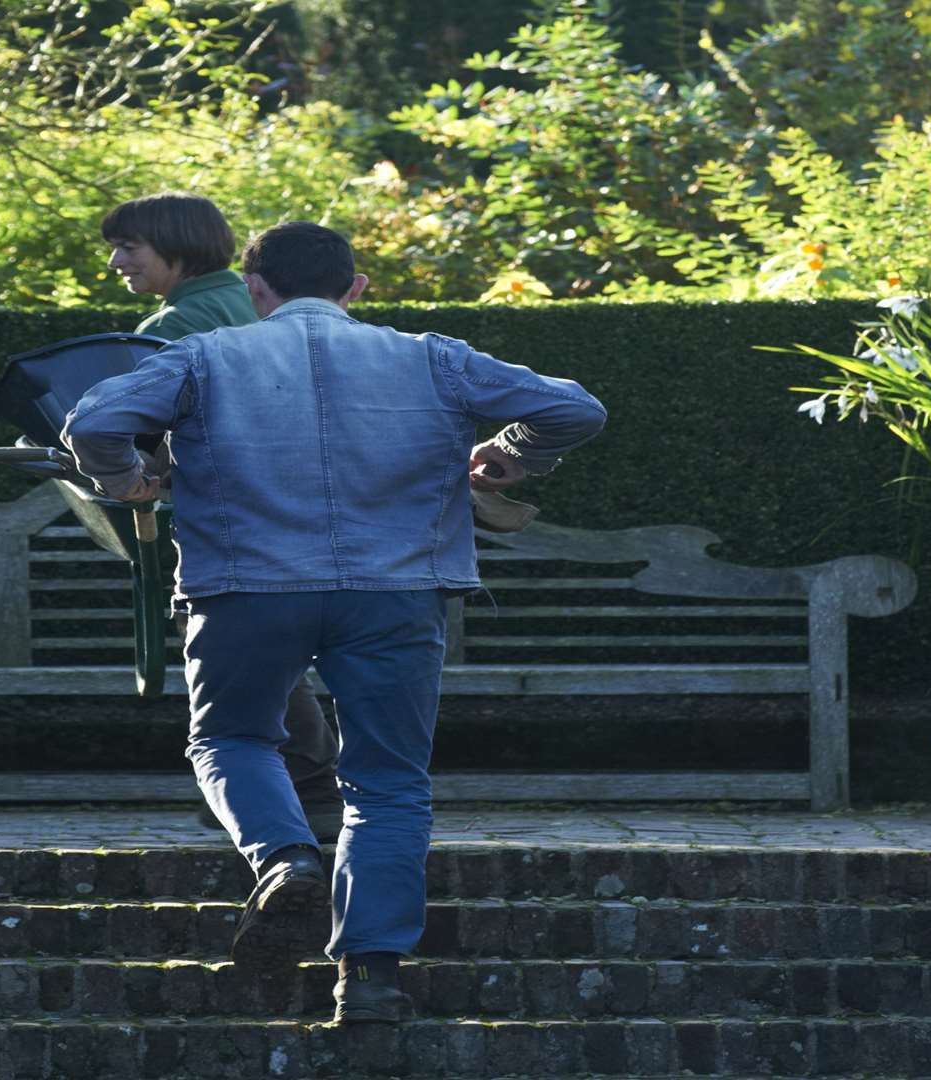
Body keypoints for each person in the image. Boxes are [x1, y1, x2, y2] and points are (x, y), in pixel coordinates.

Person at [62, 222, 606, 1024]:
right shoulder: (433, 356)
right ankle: (371, 977)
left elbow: (93, 421)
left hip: (246, 590)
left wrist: (130, 478)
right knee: (388, 782)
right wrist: (514, 454)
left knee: (232, 740)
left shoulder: (207, 355)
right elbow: (575, 408)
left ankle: (285, 861)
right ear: (354, 288)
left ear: (255, 288)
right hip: (396, 594)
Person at [101, 192, 345, 845]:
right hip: (305, 506)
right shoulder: (254, 303)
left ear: (177, 247)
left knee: (235, 660)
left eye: (129, 246)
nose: (116, 261)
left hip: (229, 520)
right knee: (275, 653)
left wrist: (123, 472)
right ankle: (297, 792)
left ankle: (277, 797)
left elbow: (138, 433)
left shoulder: (174, 325)